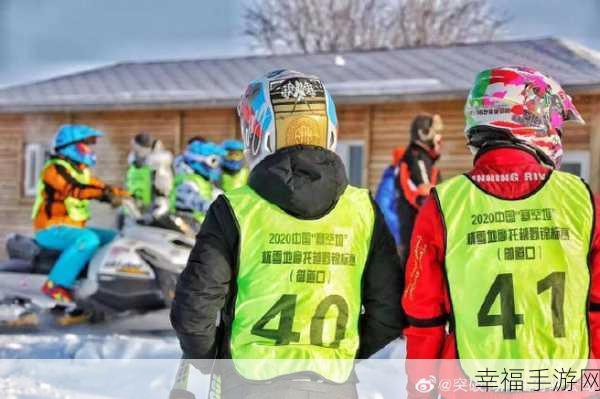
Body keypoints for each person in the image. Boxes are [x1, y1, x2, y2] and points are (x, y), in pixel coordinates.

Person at [171, 70, 405, 399]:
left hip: (249, 382)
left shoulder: (236, 210)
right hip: (333, 385)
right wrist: (340, 353)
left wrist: (215, 360)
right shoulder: (362, 210)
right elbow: (389, 311)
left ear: (258, 132)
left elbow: (194, 312)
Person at [402, 66, 598, 397]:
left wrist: (420, 390)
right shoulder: (582, 200)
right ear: (533, 122)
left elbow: (423, 316)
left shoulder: (444, 204)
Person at [32, 125, 127, 303]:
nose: (89, 150)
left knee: (117, 238)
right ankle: (56, 284)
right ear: (71, 146)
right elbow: (74, 189)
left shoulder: (80, 171)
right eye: (86, 144)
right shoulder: (55, 169)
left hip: (71, 228)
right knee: (88, 239)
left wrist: (128, 196)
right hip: (50, 228)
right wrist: (105, 195)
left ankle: (99, 285)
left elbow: (100, 187)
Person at [396, 114, 443, 264]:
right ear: (424, 134)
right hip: (417, 231)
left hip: (419, 231)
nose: (439, 138)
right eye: (436, 133)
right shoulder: (417, 158)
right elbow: (424, 195)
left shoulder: (422, 157)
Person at [169, 138, 225, 224]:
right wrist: (218, 209)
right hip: (189, 226)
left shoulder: (203, 179)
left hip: (202, 225)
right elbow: (191, 200)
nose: (215, 167)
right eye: (213, 161)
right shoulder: (187, 179)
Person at [125, 132, 173, 219]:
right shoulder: (134, 161)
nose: (135, 151)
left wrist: (160, 204)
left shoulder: (159, 163)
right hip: (134, 205)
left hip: (154, 207)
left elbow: (163, 187)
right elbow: (130, 182)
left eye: (137, 148)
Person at [375, 147, 406, 248]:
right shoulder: (390, 182)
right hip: (393, 240)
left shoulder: (403, 182)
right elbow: (382, 210)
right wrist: (401, 228)